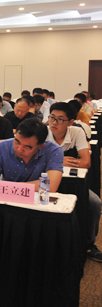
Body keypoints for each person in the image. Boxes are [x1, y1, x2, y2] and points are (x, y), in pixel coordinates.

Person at [45, 102, 102, 261]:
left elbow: (86, 162)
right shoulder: (43, 132)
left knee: (95, 203)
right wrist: (60, 160)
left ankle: (89, 244)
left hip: (73, 183)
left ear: (70, 122)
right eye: (52, 118)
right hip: (47, 182)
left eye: (60, 119)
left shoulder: (77, 132)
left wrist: (52, 161)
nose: (54, 122)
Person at [0, 118, 63, 192]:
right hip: (6, 199)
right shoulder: (3, 147)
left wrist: (10, 187)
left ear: (41, 146)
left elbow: (51, 186)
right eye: (17, 142)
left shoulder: (54, 151)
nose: (19, 149)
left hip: (37, 202)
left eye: (27, 147)